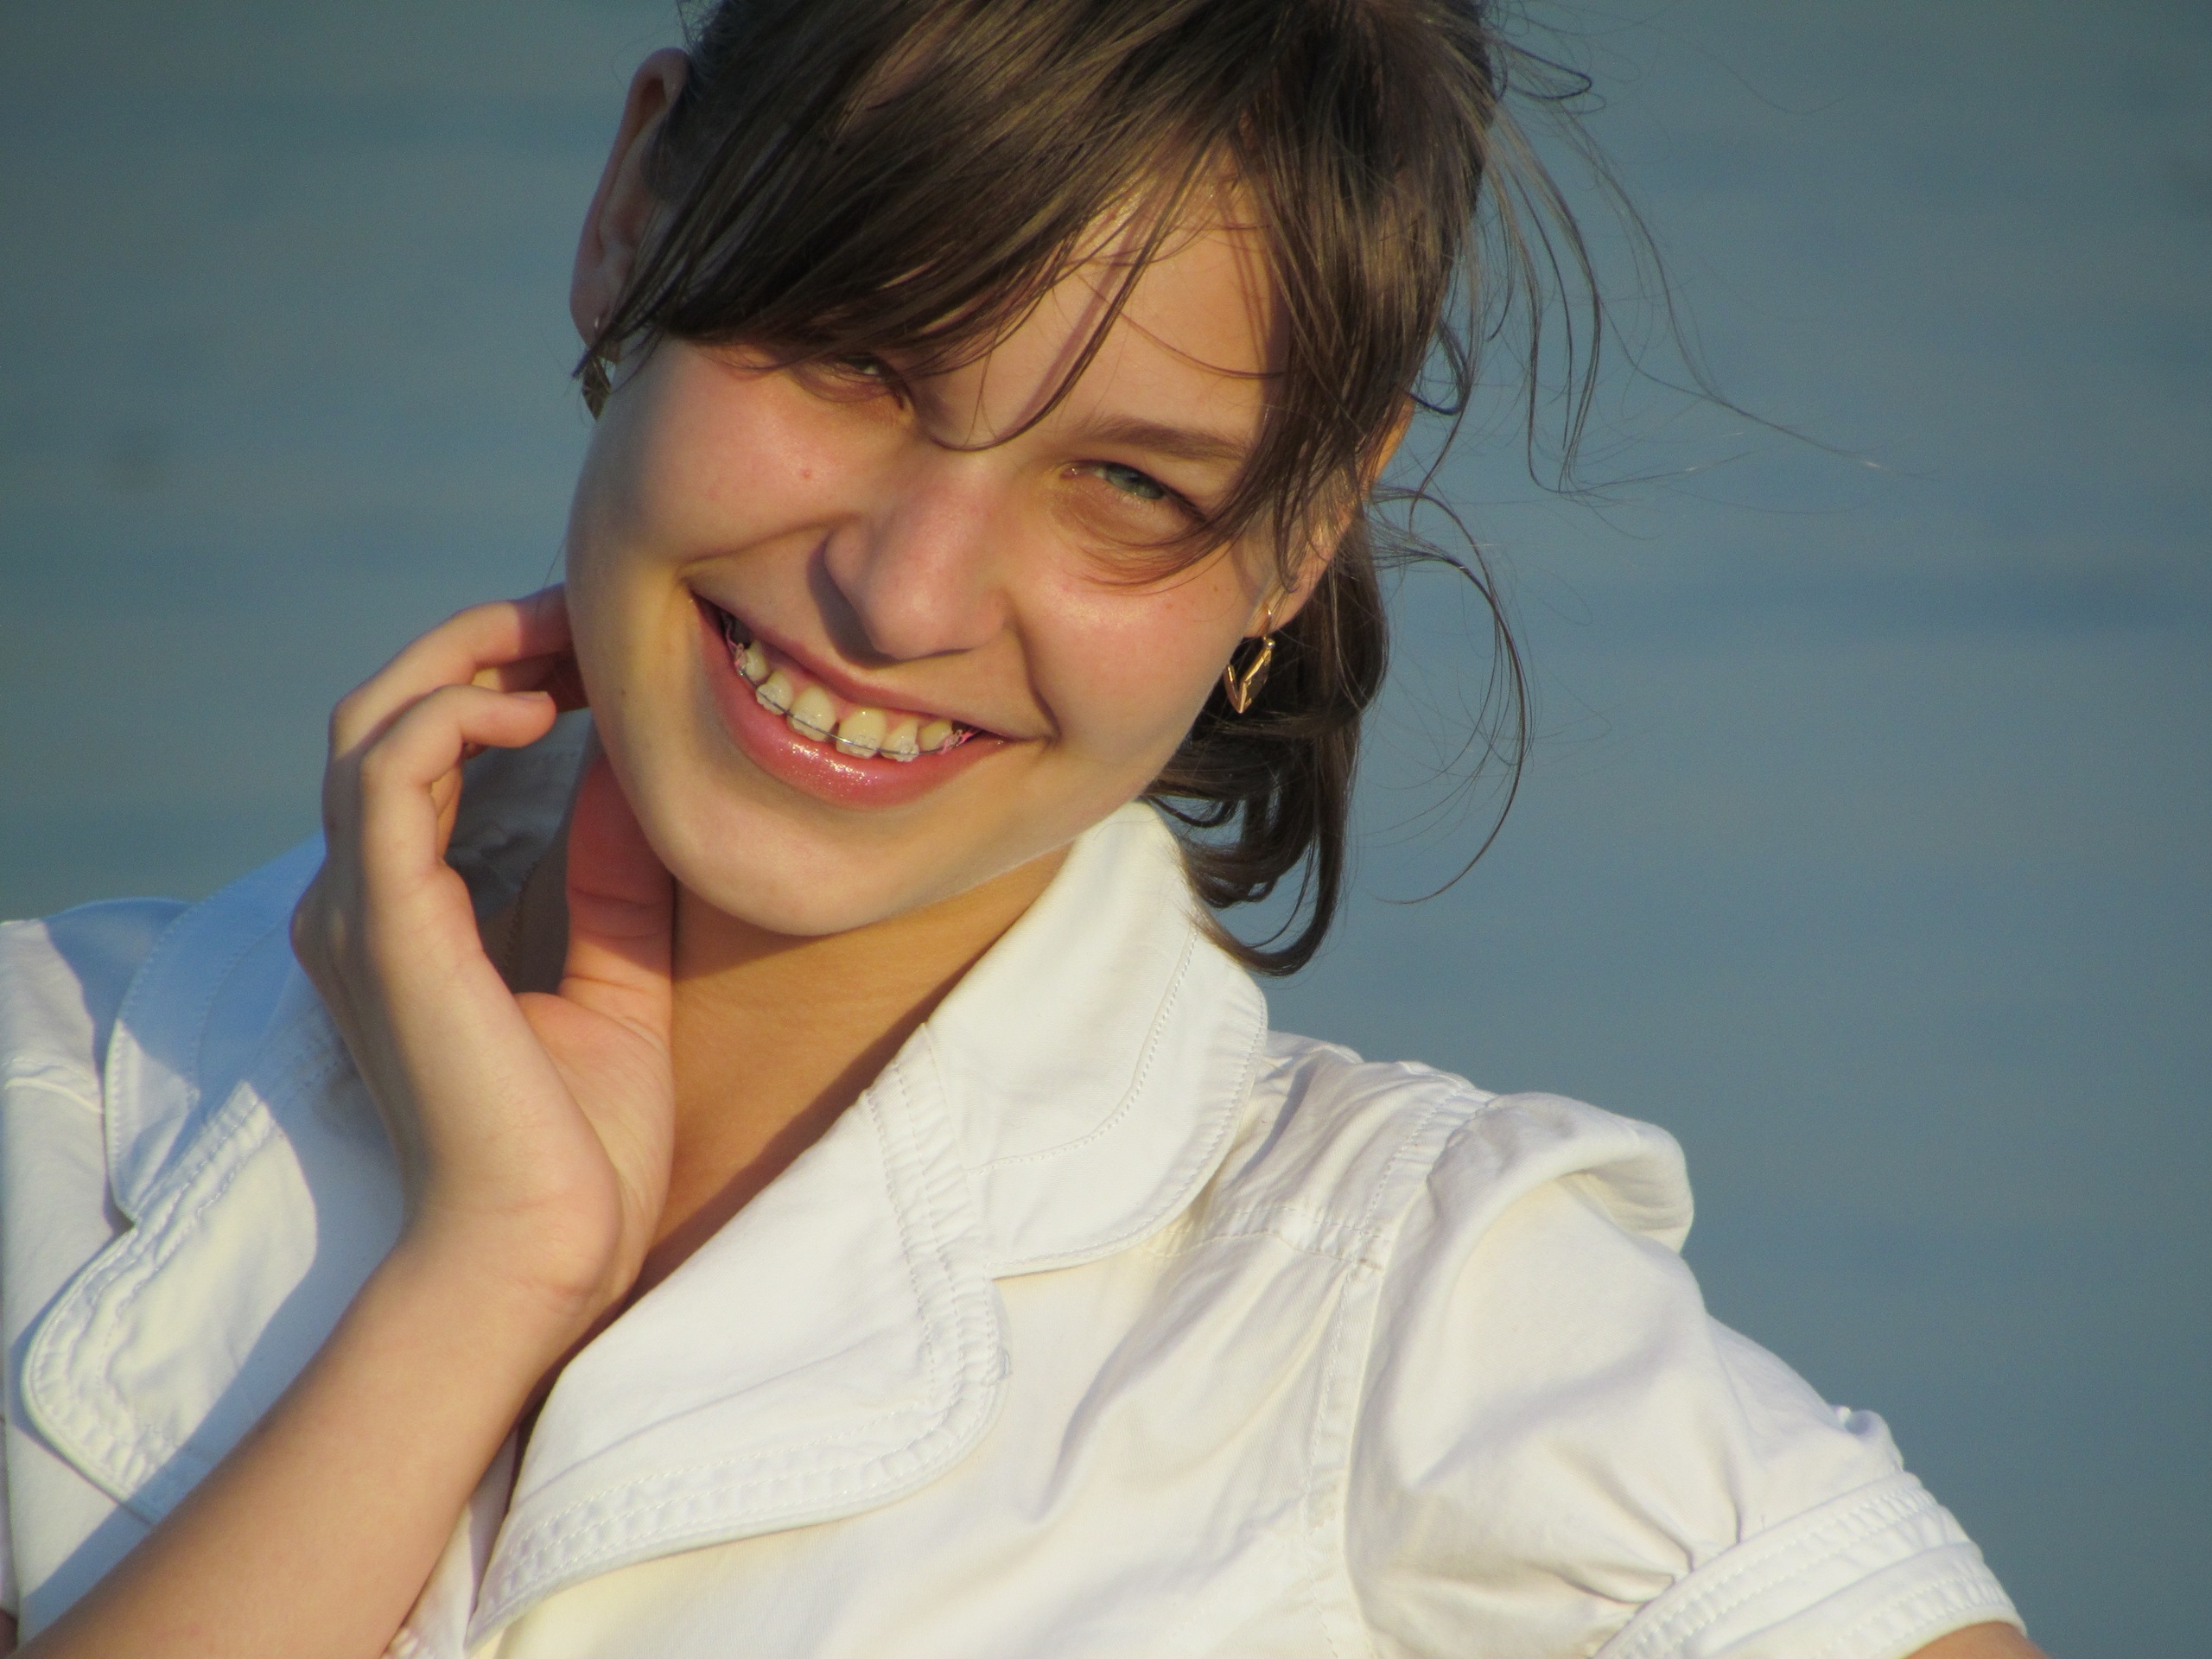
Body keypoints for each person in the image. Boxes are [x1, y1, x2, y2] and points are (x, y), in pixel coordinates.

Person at [0, 0, 2043, 1654]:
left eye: (1130, 484)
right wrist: (484, 1278)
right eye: (850, 358)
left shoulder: (1420, 1330)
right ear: (635, 205)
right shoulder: (54, 1099)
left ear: (1302, 527)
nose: (904, 594)